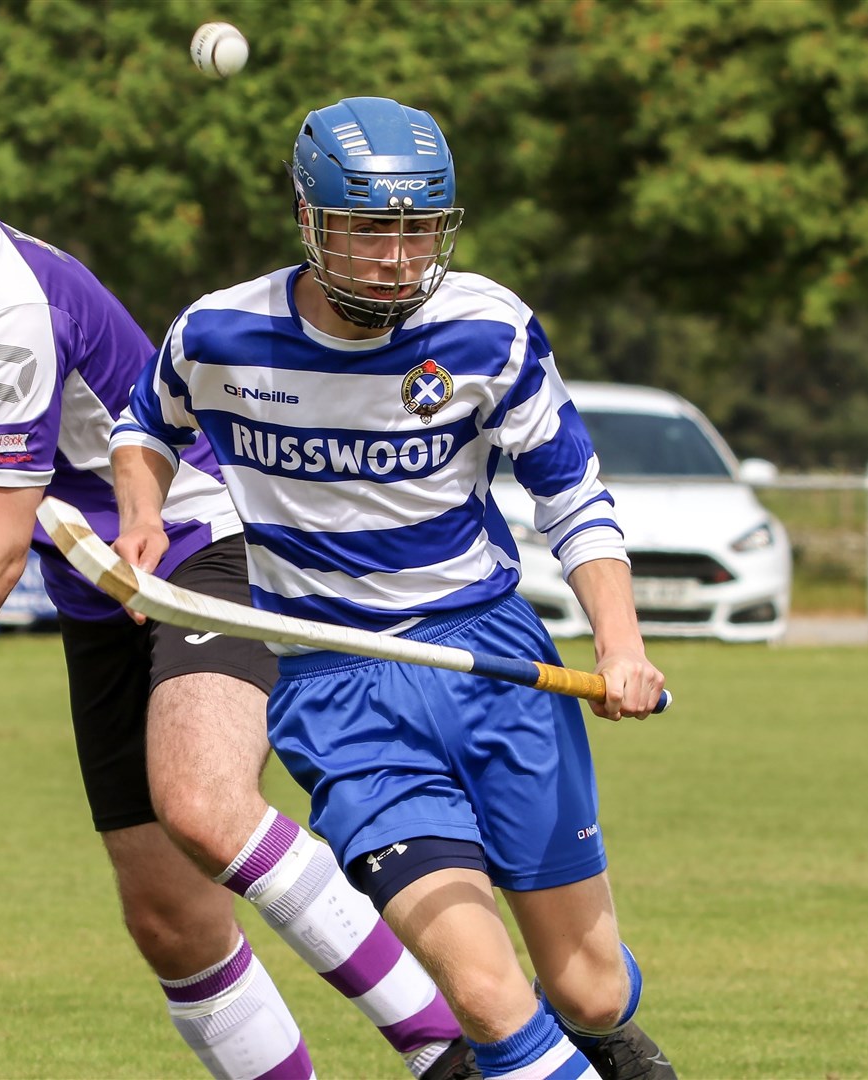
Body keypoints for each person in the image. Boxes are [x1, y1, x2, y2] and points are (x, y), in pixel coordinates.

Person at [0, 63, 472, 1079]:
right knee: (169, 916)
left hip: (202, 540)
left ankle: (451, 1056)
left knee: (204, 807)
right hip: (96, 583)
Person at [109, 96, 679, 1080]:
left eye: (420, 230)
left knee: (585, 987)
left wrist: (620, 644)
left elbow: (573, 496)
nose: (397, 257)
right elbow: (142, 425)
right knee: (484, 994)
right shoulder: (219, 334)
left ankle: (599, 1028)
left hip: (495, 663)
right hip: (341, 694)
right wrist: (140, 517)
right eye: (371, 229)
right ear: (308, 218)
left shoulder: (487, 330)